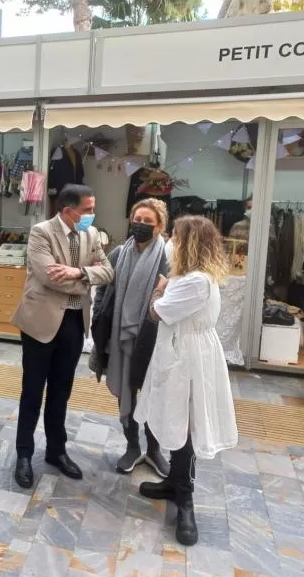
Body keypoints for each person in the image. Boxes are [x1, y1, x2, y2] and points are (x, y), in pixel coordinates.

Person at [136, 215, 238, 546]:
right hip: (180, 354)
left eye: (175, 237)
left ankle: (186, 499)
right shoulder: (191, 278)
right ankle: (174, 483)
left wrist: (159, 292)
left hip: (190, 359)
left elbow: (158, 312)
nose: (170, 242)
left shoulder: (195, 281)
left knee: (188, 424)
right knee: (176, 418)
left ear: (188, 243)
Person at [10, 184, 114, 489]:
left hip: (73, 322)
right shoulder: (41, 232)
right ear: (68, 211)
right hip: (40, 322)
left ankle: (56, 451)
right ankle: (24, 455)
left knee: (61, 392)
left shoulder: (92, 235)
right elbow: (47, 277)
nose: (92, 215)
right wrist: (86, 276)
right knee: (32, 392)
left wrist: (78, 273)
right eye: (87, 210)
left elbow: (109, 271)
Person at [90, 198, 170, 476]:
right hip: (118, 336)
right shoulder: (118, 254)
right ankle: (133, 447)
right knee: (128, 393)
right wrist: (100, 311)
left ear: (160, 226)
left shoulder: (167, 259)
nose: (142, 225)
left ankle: (155, 451)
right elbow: (104, 287)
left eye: (149, 222)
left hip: (153, 337)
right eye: (138, 219)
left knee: (154, 394)